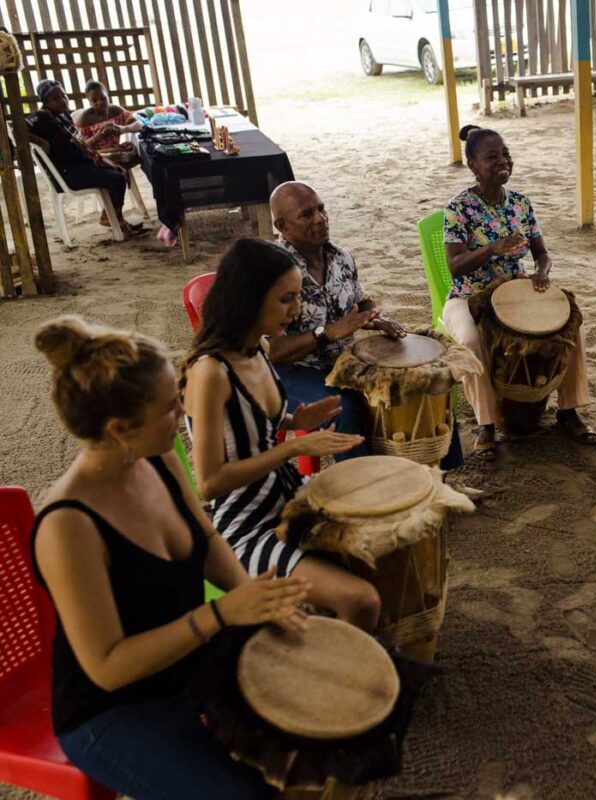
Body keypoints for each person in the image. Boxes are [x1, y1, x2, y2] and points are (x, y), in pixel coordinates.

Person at [31, 315, 310, 799]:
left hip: (185, 661)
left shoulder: (154, 456)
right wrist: (222, 613)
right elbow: (108, 667)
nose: (183, 411)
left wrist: (257, 601)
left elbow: (205, 541)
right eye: (169, 407)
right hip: (112, 709)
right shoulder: (68, 525)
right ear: (119, 428)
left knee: (325, 704)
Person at [182, 238, 381, 630]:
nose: (296, 310)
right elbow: (209, 484)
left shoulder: (255, 350)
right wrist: (296, 447)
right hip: (246, 525)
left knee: (381, 536)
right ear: (249, 298)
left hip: (288, 497)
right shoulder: (210, 373)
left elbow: (252, 424)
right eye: (286, 300)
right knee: (361, 601)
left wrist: (294, 419)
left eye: (297, 297)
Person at [442, 124, 596, 460]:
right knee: (470, 342)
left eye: (506, 154)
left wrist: (541, 271)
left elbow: (542, 252)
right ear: (473, 165)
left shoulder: (521, 204)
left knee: (573, 325)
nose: (503, 162)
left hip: (516, 292)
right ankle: (485, 425)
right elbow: (455, 267)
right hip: (468, 296)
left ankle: (568, 411)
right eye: (492, 157)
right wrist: (492, 249)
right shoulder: (459, 209)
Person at [266, 181, 406, 463]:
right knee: (345, 407)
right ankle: (365, 492)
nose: (320, 219)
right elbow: (274, 351)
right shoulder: (272, 270)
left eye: (321, 209)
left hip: (342, 363)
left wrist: (376, 318)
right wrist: (327, 334)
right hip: (289, 373)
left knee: (412, 380)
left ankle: (438, 474)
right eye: (306, 215)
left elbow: (360, 300)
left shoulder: (341, 257)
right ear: (282, 226)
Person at [25, 79, 143, 238]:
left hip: (81, 165)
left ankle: (113, 217)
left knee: (120, 170)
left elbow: (79, 144)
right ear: (45, 102)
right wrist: (41, 142)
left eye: (63, 95)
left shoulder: (62, 117)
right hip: (67, 174)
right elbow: (18, 129)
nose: (62, 100)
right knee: (117, 178)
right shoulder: (42, 117)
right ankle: (114, 219)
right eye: (55, 98)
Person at [73, 80, 143, 160]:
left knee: (135, 152)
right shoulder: (85, 119)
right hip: (96, 156)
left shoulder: (115, 110)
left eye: (103, 98)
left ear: (108, 96)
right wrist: (98, 137)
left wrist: (122, 129)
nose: (100, 102)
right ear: (89, 102)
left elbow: (139, 124)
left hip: (115, 151)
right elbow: (80, 147)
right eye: (94, 100)